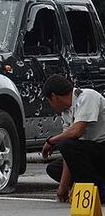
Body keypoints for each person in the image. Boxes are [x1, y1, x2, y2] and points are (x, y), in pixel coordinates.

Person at [42, 74, 105, 203]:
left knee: (66, 144)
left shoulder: (87, 96)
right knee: (54, 168)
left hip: (101, 146)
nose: (51, 106)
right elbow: (68, 153)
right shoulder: (67, 113)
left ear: (54, 97)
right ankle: (87, 187)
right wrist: (63, 186)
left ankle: (99, 191)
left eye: (49, 101)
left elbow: (77, 131)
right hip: (92, 154)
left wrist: (51, 141)